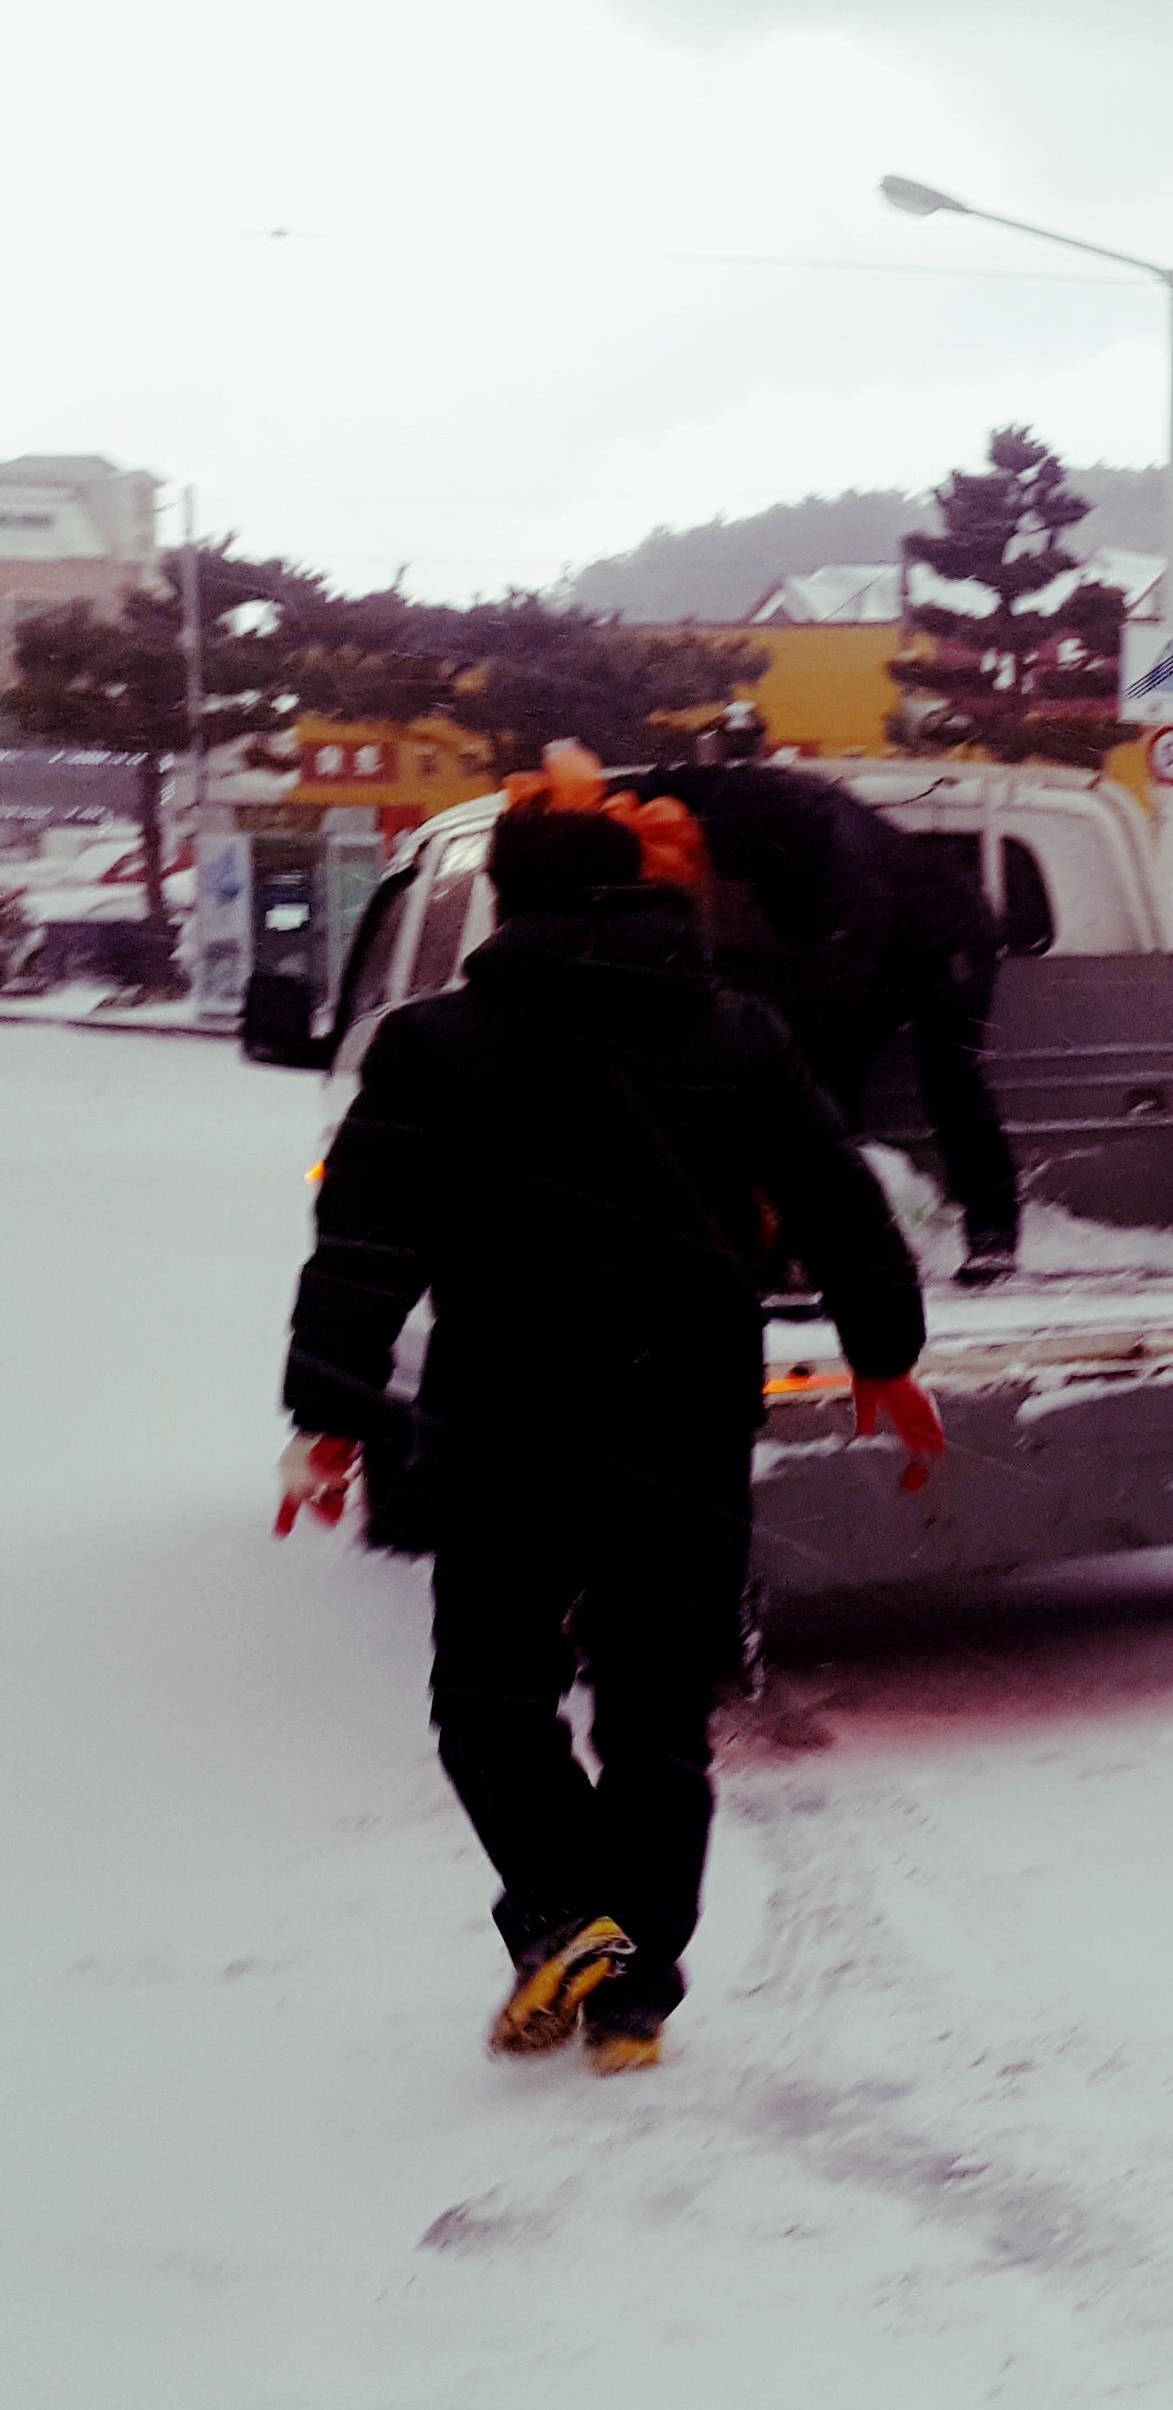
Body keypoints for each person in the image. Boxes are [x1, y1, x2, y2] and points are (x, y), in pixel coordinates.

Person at [278, 792, 930, 2072]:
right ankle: (631, 1998)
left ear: (502, 901)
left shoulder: (431, 1046)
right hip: (679, 1414)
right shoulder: (738, 1033)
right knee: (656, 1711)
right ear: (631, 890)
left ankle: (569, 1920)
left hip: (507, 1413)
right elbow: (837, 1198)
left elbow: (365, 1244)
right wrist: (883, 1356)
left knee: (489, 1697)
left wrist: (329, 1417)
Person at [650, 755, 1025, 1280]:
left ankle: (992, 1234)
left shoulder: (848, 881)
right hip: (871, 947)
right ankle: (814, 1236)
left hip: (948, 942)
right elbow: (667, 779)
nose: (742, 891)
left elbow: (829, 1003)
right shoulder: (735, 791)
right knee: (827, 1088)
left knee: (948, 1082)